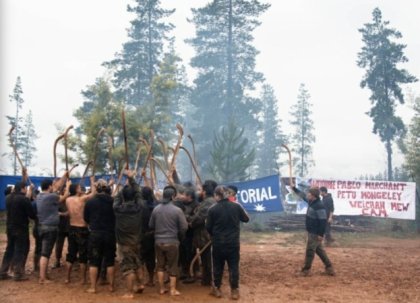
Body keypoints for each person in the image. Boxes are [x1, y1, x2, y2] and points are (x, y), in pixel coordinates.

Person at [206, 185, 249, 300]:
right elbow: (246, 218)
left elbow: (208, 227)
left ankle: (217, 289)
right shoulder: (236, 206)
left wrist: (213, 235)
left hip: (218, 243)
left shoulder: (212, 209)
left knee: (217, 266)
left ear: (216, 196)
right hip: (233, 243)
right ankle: (234, 291)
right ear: (227, 194)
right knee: (234, 266)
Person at [149, 186, 188, 296]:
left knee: (160, 266)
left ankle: (161, 288)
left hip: (158, 242)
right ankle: (172, 289)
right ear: (173, 196)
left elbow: (151, 225)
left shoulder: (156, 209)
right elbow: (184, 227)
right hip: (172, 242)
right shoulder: (177, 210)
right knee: (173, 266)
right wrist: (179, 236)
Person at [113, 170, 146, 299]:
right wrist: (131, 179)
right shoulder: (139, 208)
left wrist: (122, 190)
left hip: (124, 244)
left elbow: (116, 198)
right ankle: (140, 284)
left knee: (128, 268)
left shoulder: (118, 210)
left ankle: (130, 292)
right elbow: (138, 193)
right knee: (137, 263)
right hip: (136, 242)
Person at [291, 184, 335, 276]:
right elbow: (302, 196)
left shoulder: (319, 205)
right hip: (312, 232)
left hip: (315, 233)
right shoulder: (312, 202)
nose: (307, 195)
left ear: (313, 196)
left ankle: (306, 270)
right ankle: (329, 268)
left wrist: (320, 234)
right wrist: (294, 188)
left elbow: (323, 221)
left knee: (310, 250)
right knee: (319, 250)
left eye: (309, 194)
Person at [36, 175, 70, 284]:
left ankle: (44, 274)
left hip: (41, 227)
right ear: (50, 186)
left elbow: (56, 188)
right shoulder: (51, 197)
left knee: (44, 251)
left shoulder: (39, 196)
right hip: (49, 228)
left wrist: (64, 176)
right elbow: (64, 196)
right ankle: (42, 278)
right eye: (52, 185)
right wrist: (68, 186)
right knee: (45, 254)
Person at [84, 179, 116, 294]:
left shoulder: (90, 202)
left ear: (96, 189)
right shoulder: (113, 201)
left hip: (95, 234)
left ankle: (93, 287)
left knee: (94, 261)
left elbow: (86, 218)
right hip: (110, 234)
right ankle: (111, 286)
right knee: (110, 261)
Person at [0, 181, 36, 281]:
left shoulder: (8, 198)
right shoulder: (24, 199)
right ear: (23, 188)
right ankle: (18, 274)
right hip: (21, 228)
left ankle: (3, 272)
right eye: (25, 188)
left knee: (9, 250)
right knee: (20, 250)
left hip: (9, 228)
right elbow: (31, 215)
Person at [64, 176, 96, 284]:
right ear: (76, 190)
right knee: (83, 255)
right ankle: (83, 279)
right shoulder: (81, 199)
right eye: (79, 187)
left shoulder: (68, 200)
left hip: (72, 227)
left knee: (71, 254)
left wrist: (68, 186)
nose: (81, 188)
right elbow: (94, 194)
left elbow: (68, 194)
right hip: (82, 229)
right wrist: (92, 182)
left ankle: (67, 278)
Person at [190, 180, 217, 286]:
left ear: (204, 191)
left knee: (207, 258)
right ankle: (207, 278)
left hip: (205, 235)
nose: (199, 192)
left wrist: (191, 222)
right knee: (206, 258)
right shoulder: (211, 201)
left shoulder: (208, 203)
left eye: (201, 190)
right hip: (208, 234)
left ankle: (208, 280)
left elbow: (199, 218)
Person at [140, 186, 157, 287]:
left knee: (141, 258)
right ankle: (150, 279)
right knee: (151, 258)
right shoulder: (156, 205)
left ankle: (142, 280)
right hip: (153, 235)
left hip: (142, 235)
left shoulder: (140, 206)